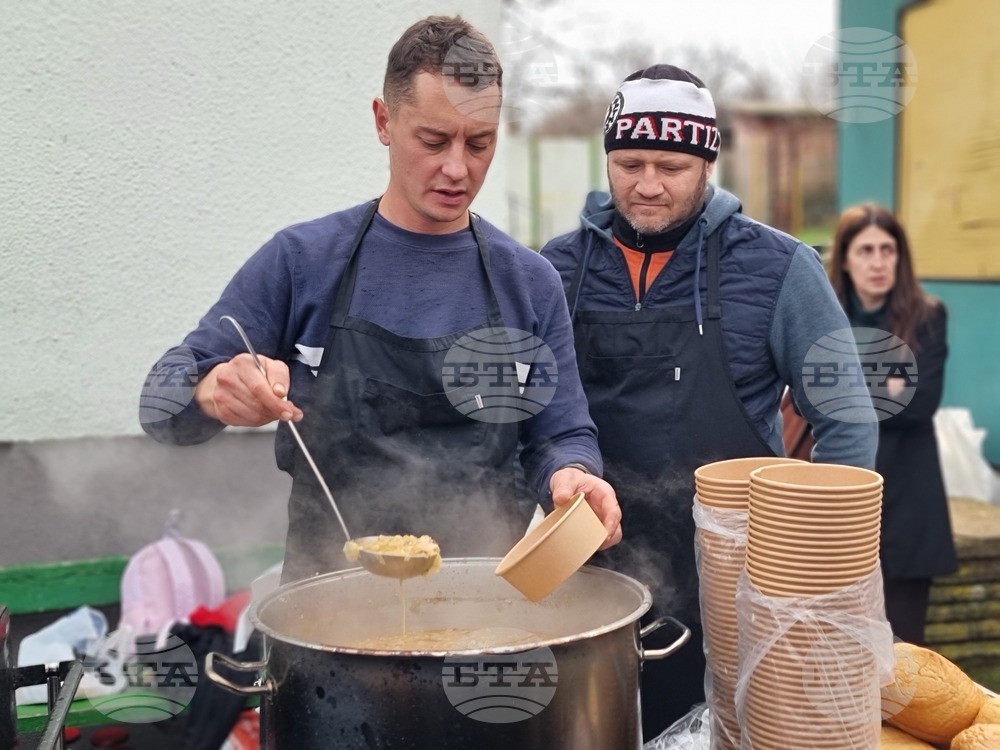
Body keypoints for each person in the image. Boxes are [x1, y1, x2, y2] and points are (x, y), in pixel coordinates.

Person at [139, 15, 622, 586]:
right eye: (434, 140)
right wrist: (211, 390)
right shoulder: (302, 262)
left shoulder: (530, 282)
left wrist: (574, 474)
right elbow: (158, 404)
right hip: (323, 617)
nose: (457, 168)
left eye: (480, 144)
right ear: (384, 121)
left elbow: (560, 435)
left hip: (486, 611)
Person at [540, 64, 878, 739]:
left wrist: (809, 574)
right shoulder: (557, 268)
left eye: (670, 165)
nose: (647, 184)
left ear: (707, 163)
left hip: (737, 589)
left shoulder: (779, 267)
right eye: (628, 162)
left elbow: (846, 418)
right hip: (591, 580)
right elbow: (534, 418)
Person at [829, 203, 957, 645]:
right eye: (865, 250)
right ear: (845, 258)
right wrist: (889, 380)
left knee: (905, 658)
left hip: (907, 504)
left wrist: (843, 382)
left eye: (888, 249)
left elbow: (918, 404)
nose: (878, 261)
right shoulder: (825, 316)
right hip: (840, 502)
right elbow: (811, 399)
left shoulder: (926, 315)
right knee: (838, 647)